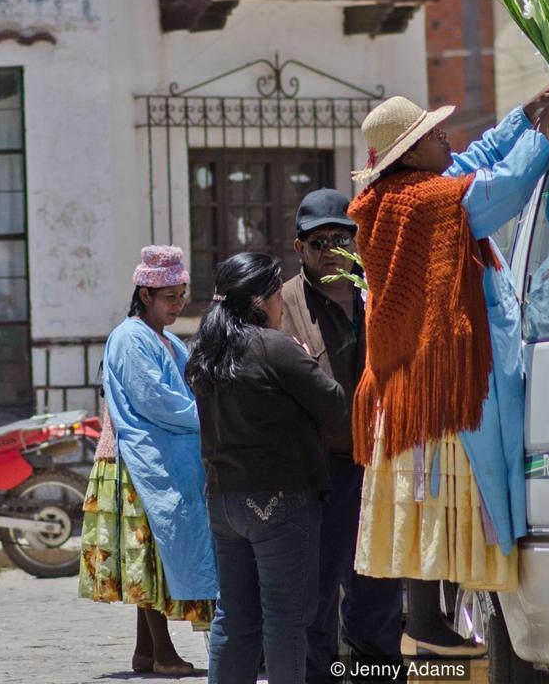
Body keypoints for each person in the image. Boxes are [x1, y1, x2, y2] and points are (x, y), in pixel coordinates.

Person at [347, 89, 549, 657]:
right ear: (410, 154)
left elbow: (472, 163)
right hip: (441, 385)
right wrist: (544, 136)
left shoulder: (396, 195)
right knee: (445, 496)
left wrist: (524, 117)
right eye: (433, 135)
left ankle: (431, 621)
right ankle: (428, 622)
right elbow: (499, 190)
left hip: (410, 383)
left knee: (428, 503)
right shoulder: (428, 203)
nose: (446, 139)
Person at [185, 252, 350, 684]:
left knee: (234, 619)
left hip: (224, 502)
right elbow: (334, 404)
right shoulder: (274, 347)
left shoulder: (204, 350)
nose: (283, 304)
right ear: (260, 300)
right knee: (286, 619)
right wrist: (304, 356)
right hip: (281, 501)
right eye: (278, 295)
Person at [277, 190, 406, 681]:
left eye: (341, 237)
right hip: (316, 471)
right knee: (317, 593)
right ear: (299, 247)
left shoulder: (378, 295)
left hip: (378, 464)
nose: (331, 247)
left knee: (378, 588)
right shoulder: (283, 304)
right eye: (319, 240)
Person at [79, 245, 216, 678]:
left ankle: (145, 651)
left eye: (181, 295)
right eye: (170, 297)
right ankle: (163, 653)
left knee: (155, 554)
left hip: (156, 462)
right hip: (134, 466)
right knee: (151, 555)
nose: (178, 305)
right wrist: (211, 417)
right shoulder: (130, 337)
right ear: (145, 294)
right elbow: (158, 401)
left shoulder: (167, 339)